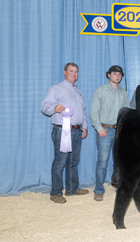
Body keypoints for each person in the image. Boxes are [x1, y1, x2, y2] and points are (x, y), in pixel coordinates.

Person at [41, 62, 89, 204]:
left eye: (76, 72)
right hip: (63, 129)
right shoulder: (56, 88)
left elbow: (83, 111)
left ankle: (72, 188)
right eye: (71, 71)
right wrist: (55, 107)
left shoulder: (78, 91)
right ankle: (56, 192)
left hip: (77, 130)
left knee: (73, 161)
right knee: (60, 162)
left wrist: (84, 126)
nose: (74, 74)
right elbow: (44, 106)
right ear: (64, 72)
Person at [90, 65, 129, 202]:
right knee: (102, 162)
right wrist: (99, 128)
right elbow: (94, 112)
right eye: (114, 73)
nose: (117, 76)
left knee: (120, 162)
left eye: (119, 74)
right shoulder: (100, 91)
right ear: (108, 75)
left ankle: (119, 187)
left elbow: (126, 112)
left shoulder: (123, 92)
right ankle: (99, 189)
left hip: (120, 131)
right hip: (105, 131)